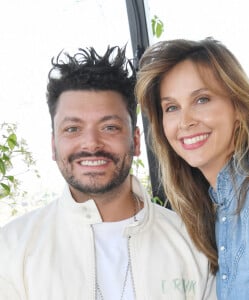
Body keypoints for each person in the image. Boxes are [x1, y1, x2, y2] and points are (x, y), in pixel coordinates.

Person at [0, 46, 216, 300]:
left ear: (135, 141)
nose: (91, 143)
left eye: (110, 127)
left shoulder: (192, 243)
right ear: (53, 145)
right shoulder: (11, 248)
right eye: (72, 129)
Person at [135, 37, 249, 300]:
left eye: (202, 99)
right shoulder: (217, 210)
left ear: (237, 106)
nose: (185, 121)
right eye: (172, 107)